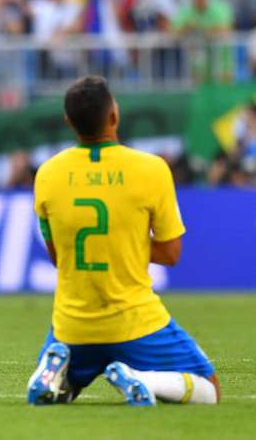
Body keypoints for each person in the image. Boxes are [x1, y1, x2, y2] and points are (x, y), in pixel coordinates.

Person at [27, 76, 218, 406]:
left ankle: (51, 371)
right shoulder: (152, 169)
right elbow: (172, 253)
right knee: (209, 387)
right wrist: (124, 245)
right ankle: (140, 378)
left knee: (63, 390)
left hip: (73, 326)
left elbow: (58, 256)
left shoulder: (47, 174)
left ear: (69, 122)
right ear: (114, 115)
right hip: (136, 322)